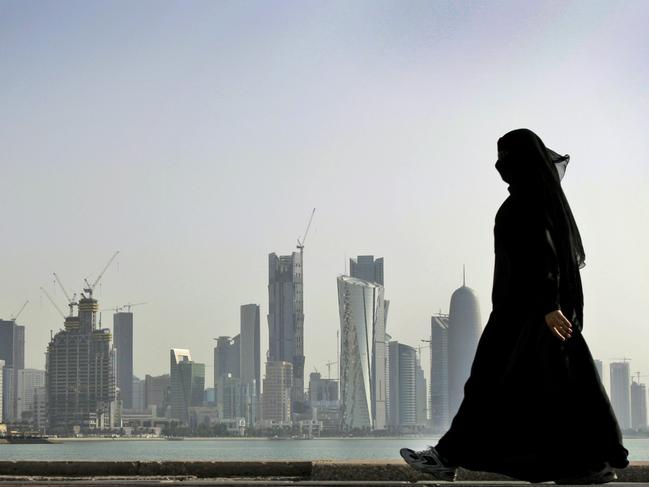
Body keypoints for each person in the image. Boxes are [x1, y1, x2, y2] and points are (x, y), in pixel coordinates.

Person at [400, 129, 629, 484]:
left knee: (491, 387)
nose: (498, 165)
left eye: (506, 156)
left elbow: (544, 256)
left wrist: (549, 305)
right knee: (548, 391)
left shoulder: (529, 203)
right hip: (524, 313)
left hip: (529, 316)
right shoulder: (530, 199)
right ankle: (585, 467)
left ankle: (447, 457)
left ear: (523, 161)